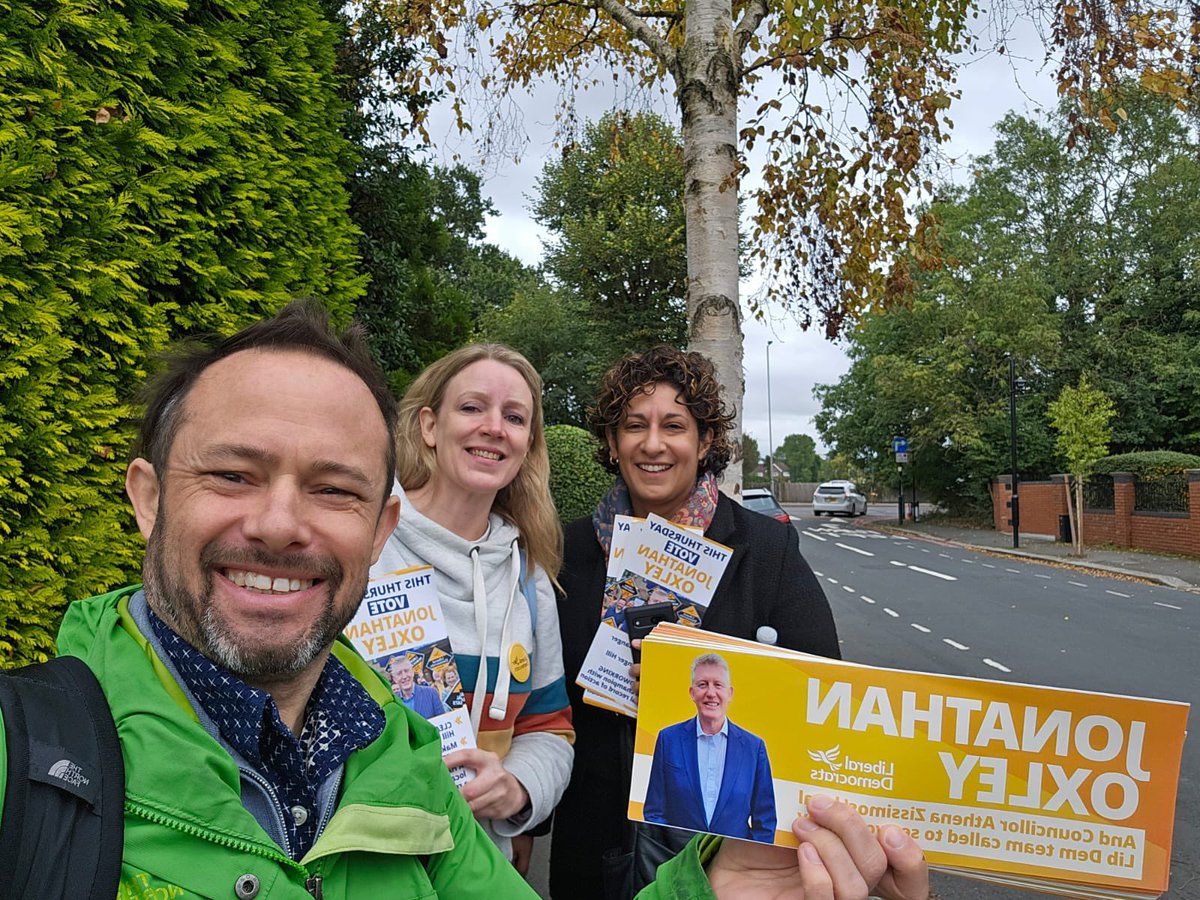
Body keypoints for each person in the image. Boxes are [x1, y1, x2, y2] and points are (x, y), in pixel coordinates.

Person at [0, 302, 930, 900]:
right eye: (234, 474)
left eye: (331, 489)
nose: (283, 525)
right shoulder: (32, 759)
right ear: (147, 495)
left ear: (371, 520)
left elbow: (551, 723)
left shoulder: (414, 740)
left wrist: (716, 884)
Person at [550, 345, 843, 899]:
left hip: (723, 849)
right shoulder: (569, 550)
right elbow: (546, 699)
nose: (653, 443)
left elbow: (821, 687)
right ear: (613, 445)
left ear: (705, 441)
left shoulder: (766, 548)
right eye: (634, 425)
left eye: (675, 426)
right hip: (593, 839)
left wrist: (695, 684)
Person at [369, 344, 574, 870]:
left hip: (476, 866)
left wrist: (518, 790)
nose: (494, 427)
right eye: (472, 408)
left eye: (514, 417)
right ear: (429, 426)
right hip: (360, 860)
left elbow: (548, 728)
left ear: (527, 444)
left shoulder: (529, 577)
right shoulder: (364, 542)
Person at [643, 653, 776, 843]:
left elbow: (765, 821)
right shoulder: (668, 739)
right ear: (692, 692)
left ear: (730, 693)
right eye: (702, 684)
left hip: (733, 865)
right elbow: (654, 812)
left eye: (718, 685)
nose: (711, 693)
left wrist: (748, 865)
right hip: (679, 861)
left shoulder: (754, 748)